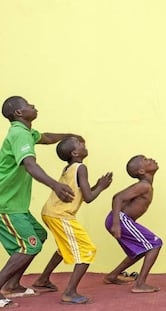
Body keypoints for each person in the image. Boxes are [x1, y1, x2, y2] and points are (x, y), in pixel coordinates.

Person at [0, 96, 82, 308]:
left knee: (38, 236)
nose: (33, 106)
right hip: (5, 204)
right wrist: (55, 185)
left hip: (16, 204)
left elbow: (45, 137)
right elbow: (29, 164)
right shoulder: (19, 135)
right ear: (19, 113)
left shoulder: (25, 133)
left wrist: (69, 135)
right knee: (29, 245)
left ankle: (12, 285)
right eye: (28, 105)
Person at [33, 136, 112, 304]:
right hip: (60, 214)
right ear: (75, 152)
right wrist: (102, 187)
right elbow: (89, 198)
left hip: (52, 212)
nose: (84, 144)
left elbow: (81, 194)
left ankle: (43, 280)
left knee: (64, 248)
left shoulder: (69, 168)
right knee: (87, 250)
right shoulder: (81, 168)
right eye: (80, 144)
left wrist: (97, 186)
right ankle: (69, 292)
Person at [104, 154, 163, 293]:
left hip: (119, 219)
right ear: (142, 171)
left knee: (142, 248)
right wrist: (117, 224)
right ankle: (140, 284)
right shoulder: (143, 186)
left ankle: (112, 275)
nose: (151, 159)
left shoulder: (146, 185)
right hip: (120, 219)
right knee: (155, 244)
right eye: (146, 160)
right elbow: (117, 198)